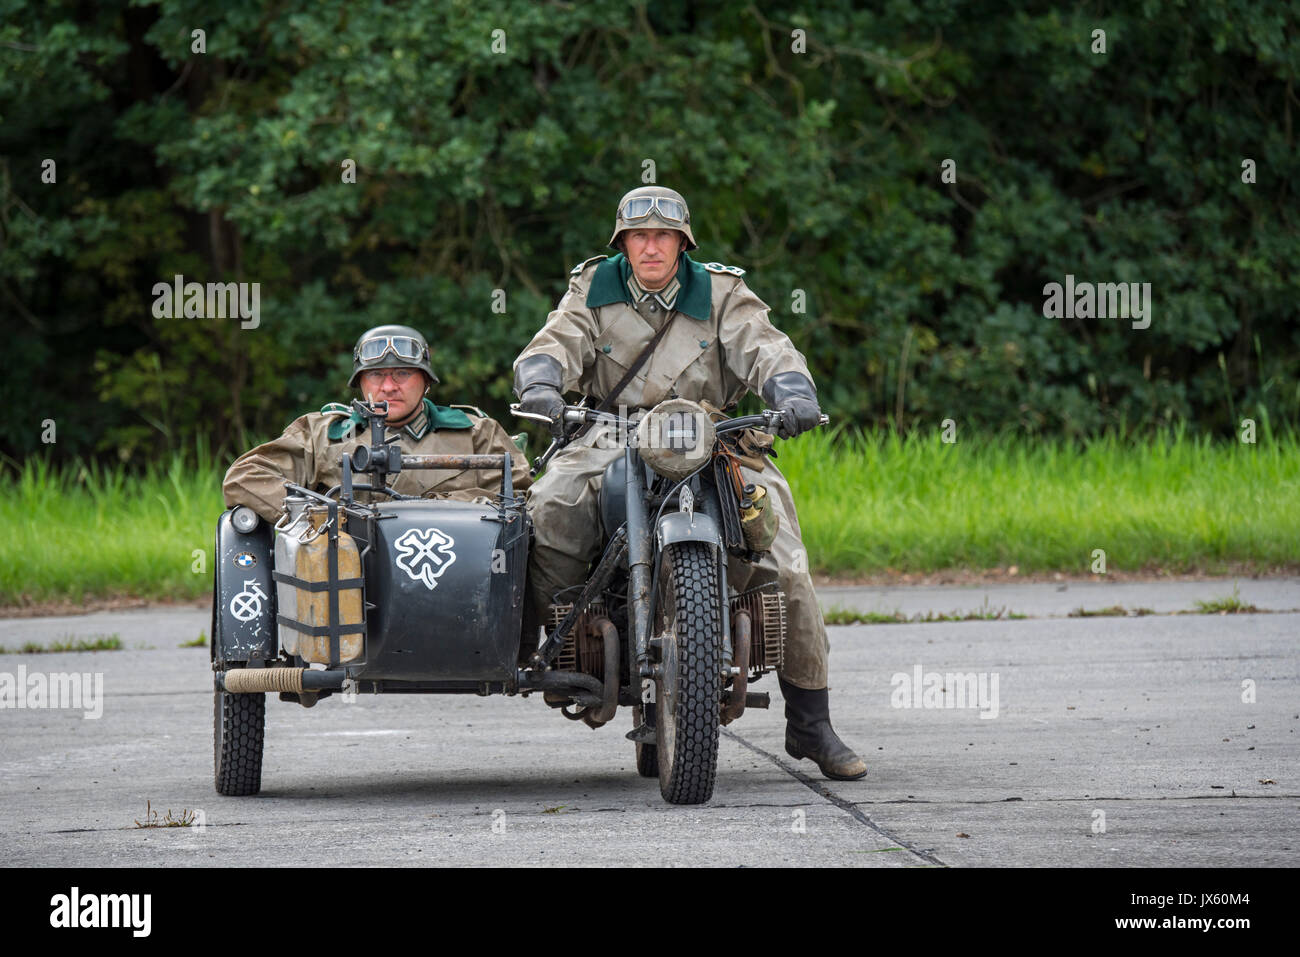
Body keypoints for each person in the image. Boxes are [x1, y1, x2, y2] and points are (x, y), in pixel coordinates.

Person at [512, 186, 867, 780]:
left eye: (662, 236)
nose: (650, 247)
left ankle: (811, 724)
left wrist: (793, 391)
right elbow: (553, 344)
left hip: (713, 437)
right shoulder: (593, 287)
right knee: (547, 510)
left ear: (683, 241)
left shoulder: (723, 291)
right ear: (622, 242)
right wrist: (543, 387)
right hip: (611, 432)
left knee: (787, 560)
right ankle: (562, 647)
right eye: (638, 236)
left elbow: (767, 347)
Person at [224, 324, 530, 521]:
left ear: (425, 382)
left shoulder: (476, 432)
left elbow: (517, 497)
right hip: (346, 582)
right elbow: (245, 477)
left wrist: (434, 508)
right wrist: (319, 516)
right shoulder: (323, 434)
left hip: (457, 572)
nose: (388, 386)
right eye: (375, 375)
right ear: (360, 384)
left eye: (402, 373)